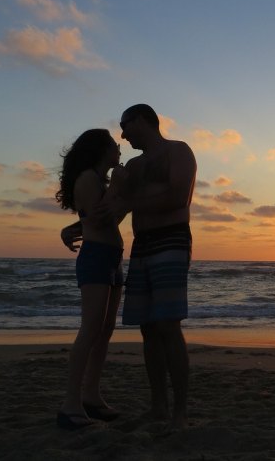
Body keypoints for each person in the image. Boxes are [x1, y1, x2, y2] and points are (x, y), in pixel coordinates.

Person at [62, 104, 196, 431]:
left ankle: (179, 412)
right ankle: (158, 407)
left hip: (171, 239)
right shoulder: (133, 166)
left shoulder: (178, 152)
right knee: (148, 327)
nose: (122, 135)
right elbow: (113, 211)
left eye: (125, 126)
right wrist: (78, 227)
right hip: (141, 245)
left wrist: (129, 199)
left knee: (167, 324)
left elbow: (178, 197)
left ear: (141, 120)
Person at [55, 129, 127, 430]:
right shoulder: (86, 178)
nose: (119, 147)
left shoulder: (100, 181)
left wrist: (73, 226)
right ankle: (71, 404)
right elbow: (100, 219)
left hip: (112, 256)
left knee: (106, 329)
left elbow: (103, 216)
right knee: (91, 328)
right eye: (114, 144)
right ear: (101, 149)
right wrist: (122, 189)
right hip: (96, 256)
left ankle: (91, 396)